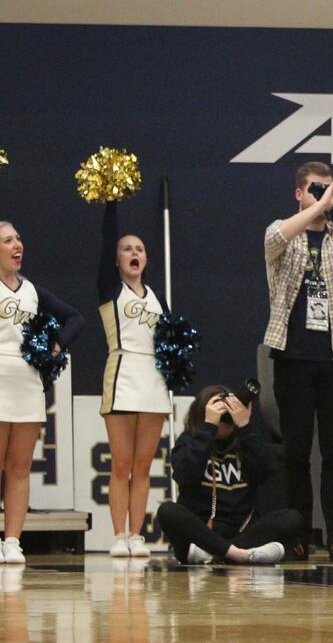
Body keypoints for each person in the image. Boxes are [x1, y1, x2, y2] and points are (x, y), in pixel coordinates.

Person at [262, 162, 333, 562]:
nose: (325, 198)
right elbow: (274, 236)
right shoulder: (285, 234)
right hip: (293, 357)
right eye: (317, 190)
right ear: (299, 193)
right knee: (295, 451)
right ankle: (298, 534)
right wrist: (320, 205)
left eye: (330, 192)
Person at [0, 220, 85, 565]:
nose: (17, 245)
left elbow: (76, 319)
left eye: (19, 238)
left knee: (20, 469)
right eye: (8, 240)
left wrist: (54, 347)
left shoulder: (33, 291)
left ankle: (12, 542)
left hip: (28, 384)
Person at [96, 202, 171, 558]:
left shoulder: (157, 298)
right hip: (123, 374)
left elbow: (173, 341)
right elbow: (106, 237)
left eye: (139, 249)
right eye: (127, 249)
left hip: (153, 380)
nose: (134, 253)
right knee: (121, 464)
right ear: (116, 260)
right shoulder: (111, 289)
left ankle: (137, 535)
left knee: (143, 466)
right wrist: (112, 202)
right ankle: (118, 536)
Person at [157, 385, 304, 566]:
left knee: (292, 518)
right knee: (167, 511)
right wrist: (208, 427)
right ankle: (238, 554)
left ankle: (220, 554)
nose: (226, 417)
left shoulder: (245, 442)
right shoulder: (190, 439)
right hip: (199, 536)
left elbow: (269, 469)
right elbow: (184, 474)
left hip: (240, 532)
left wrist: (245, 426)